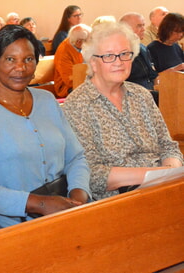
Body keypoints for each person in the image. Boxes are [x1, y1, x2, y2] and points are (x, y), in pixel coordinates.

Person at [0, 25, 91, 231]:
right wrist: (40, 204)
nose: (21, 68)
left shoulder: (47, 101)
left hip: (63, 211)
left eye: (28, 59)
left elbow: (76, 157)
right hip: (6, 225)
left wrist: (78, 197)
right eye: (10, 59)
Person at [62, 22, 183, 200]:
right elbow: (92, 174)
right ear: (93, 62)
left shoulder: (141, 95)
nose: (119, 62)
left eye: (125, 54)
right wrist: (157, 174)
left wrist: (171, 171)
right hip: (118, 200)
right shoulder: (78, 105)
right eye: (109, 56)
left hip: (163, 186)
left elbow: (168, 146)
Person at [120, 12, 159, 98]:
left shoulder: (143, 48)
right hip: (134, 95)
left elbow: (153, 75)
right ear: (125, 29)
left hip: (150, 92)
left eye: (143, 25)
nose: (143, 29)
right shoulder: (120, 53)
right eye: (139, 26)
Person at [53, 24, 91, 98]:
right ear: (79, 42)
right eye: (88, 40)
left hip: (84, 83)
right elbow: (69, 79)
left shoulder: (82, 47)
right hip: (66, 88)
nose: (90, 43)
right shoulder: (64, 51)